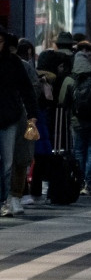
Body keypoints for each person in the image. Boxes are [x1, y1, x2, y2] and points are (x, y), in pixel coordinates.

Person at [59, 42, 91, 196]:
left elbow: (62, 101)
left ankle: (79, 182)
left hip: (78, 122)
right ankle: (89, 185)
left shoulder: (70, 80)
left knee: (79, 152)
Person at [0, 28, 38, 217]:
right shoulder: (15, 62)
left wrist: (32, 114)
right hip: (11, 114)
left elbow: (26, 88)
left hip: (9, 117)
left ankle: (7, 199)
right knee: (7, 162)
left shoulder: (13, 62)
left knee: (8, 162)